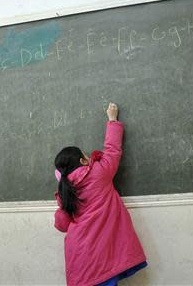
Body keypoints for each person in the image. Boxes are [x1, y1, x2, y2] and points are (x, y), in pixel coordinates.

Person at [54, 103, 147, 286]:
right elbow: (112, 150)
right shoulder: (99, 172)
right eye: (85, 155)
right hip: (103, 256)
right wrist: (112, 120)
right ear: (83, 160)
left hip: (80, 256)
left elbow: (62, 225)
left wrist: (61, 206)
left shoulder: (65, 191)